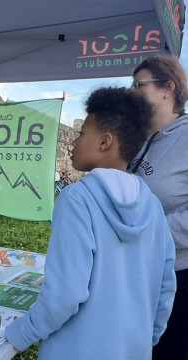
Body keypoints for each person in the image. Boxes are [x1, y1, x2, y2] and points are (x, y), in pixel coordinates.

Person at [5, 87, 176, 359]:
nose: (74, 141)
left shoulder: (77, 198)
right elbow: (166, 286)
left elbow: (66, 294)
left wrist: (20, 335)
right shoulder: (153, 204)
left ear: (104, 141)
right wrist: (147, 339)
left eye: (83, 132)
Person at [129, 55, 188, 360]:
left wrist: (148, 231)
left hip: (178, 278)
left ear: (168, 88)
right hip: (135, 270)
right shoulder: (138, 137)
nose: (132, 92)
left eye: (139, 85)